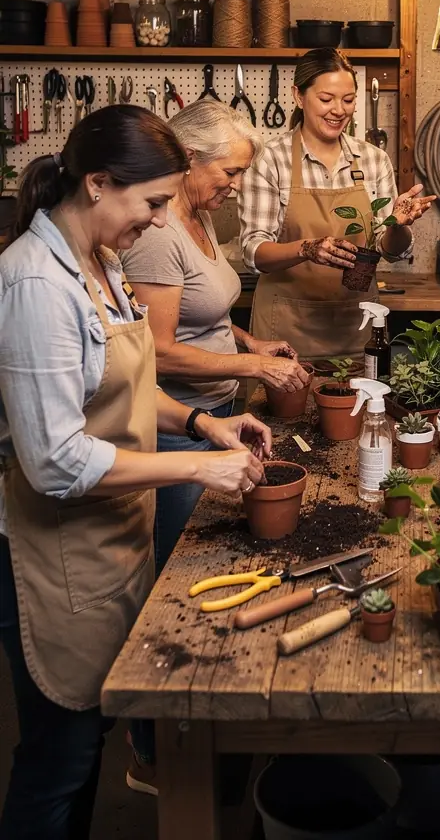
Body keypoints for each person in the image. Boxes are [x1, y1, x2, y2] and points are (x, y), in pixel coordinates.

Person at [0, 106, 272, 840]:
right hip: (54, 552)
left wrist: (202, 424)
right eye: (152, 202)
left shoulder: (104, 264)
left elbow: (126, 386)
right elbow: (55, 461)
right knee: (59, 762)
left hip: (110, 539)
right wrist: (198, 470)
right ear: (97, 183)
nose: (158, 221)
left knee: (91, 741)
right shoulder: (35, 284)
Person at [122, 100, 309, 571]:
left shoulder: (199, 213)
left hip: (217, 413)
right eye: (231, 171)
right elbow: (158, 351)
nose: (237, 184)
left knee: (211, 549)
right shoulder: (158, 236)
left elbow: (204, 313)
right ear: (189, 157)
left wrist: (249, 341)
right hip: (179, 427)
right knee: (181, 558)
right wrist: (256, 366)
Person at [239, 48, 435, 360]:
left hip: (357, 326)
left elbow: (390, 250)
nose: (339, 110)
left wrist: (397, 225)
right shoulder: (269, 159)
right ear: (299, 96)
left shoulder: (373, 160)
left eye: (348, 100)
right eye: (326, 99)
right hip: (284, 329)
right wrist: (307, 249)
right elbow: (253, 252)